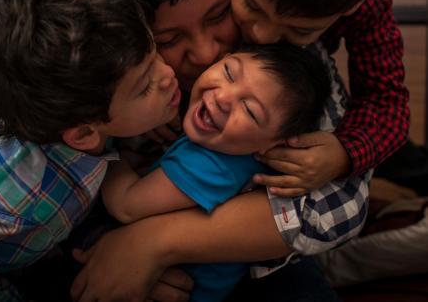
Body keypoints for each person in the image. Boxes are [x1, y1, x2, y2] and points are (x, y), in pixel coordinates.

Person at [72, 0, 409, 301]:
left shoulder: (286, 66)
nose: (263, 34)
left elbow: (341, 203)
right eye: (167, 38)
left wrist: (153, 242)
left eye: (218, 14)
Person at [101, 42, 371, 302]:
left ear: (274, 144)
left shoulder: (211, 164)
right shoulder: (231, 145)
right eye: (230, 72)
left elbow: (125, 205)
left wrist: (108, 153)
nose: (223, 97)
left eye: (250, 111)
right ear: (223, 57)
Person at [0, 0, 182, 302]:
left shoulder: (83, 105)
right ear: (84, 133)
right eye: (145, 86)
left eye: (155, 51)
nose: (168, 74)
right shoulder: (18, 204)